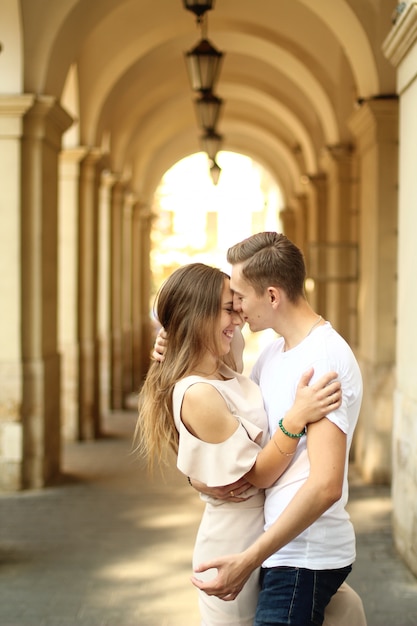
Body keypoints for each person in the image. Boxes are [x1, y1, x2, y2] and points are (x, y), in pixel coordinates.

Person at [135, 262, 343, 626]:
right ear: (197, 315)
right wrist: (296, 418)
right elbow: (259, 474)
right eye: (229, 309)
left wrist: (171, 336)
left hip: (268, 538)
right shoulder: (199, 393)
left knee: (344, 611)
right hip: (233, 546)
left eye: (237, 307)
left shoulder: (225, 359)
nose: (239, 318)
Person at [187, 232, 364, 626]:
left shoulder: (323, 359)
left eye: (240, 296)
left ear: (271, 296)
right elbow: (241, 429)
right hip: (281, 550)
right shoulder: (272, 353)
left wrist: (248, 560)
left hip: (303, 556)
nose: (236, 306)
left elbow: (325, 485)